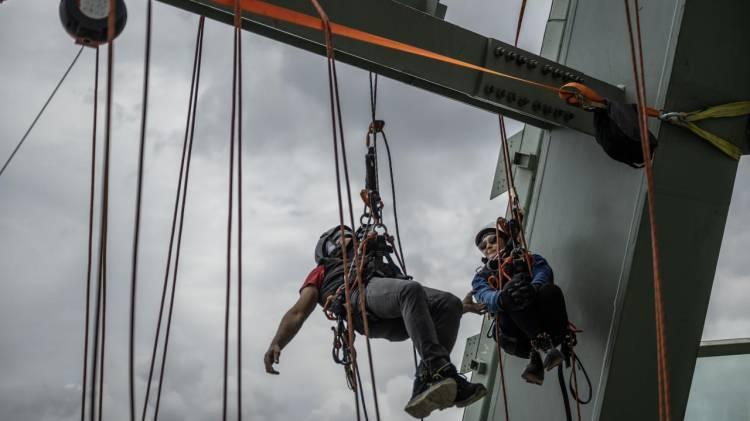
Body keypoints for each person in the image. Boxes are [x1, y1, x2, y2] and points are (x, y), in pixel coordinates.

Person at [264, 225, 487, 418]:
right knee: (409, 290)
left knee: (449, 303)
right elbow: (298, 312)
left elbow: (423, 304)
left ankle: (425, 381)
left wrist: (462, 309)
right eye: (343, 235)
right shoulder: (321, 271)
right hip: (359, 304)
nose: (351, 237)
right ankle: (439, 369)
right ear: (329, 246)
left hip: (397, 313)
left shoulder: (370, 258)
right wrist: (278, 342)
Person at [470, 219, 570, 385]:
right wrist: (500, 298)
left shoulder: (526, 258)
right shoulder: (481, 277)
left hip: (549, 324)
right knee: (511, 290)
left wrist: (533, 288)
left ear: (504, 238)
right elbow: (482, 294)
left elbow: (543, 271)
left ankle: (539, 349)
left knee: (549, 291)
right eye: (483, 246)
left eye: (493, 240)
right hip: (515, 336)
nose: (488, 246)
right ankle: (542, 346)